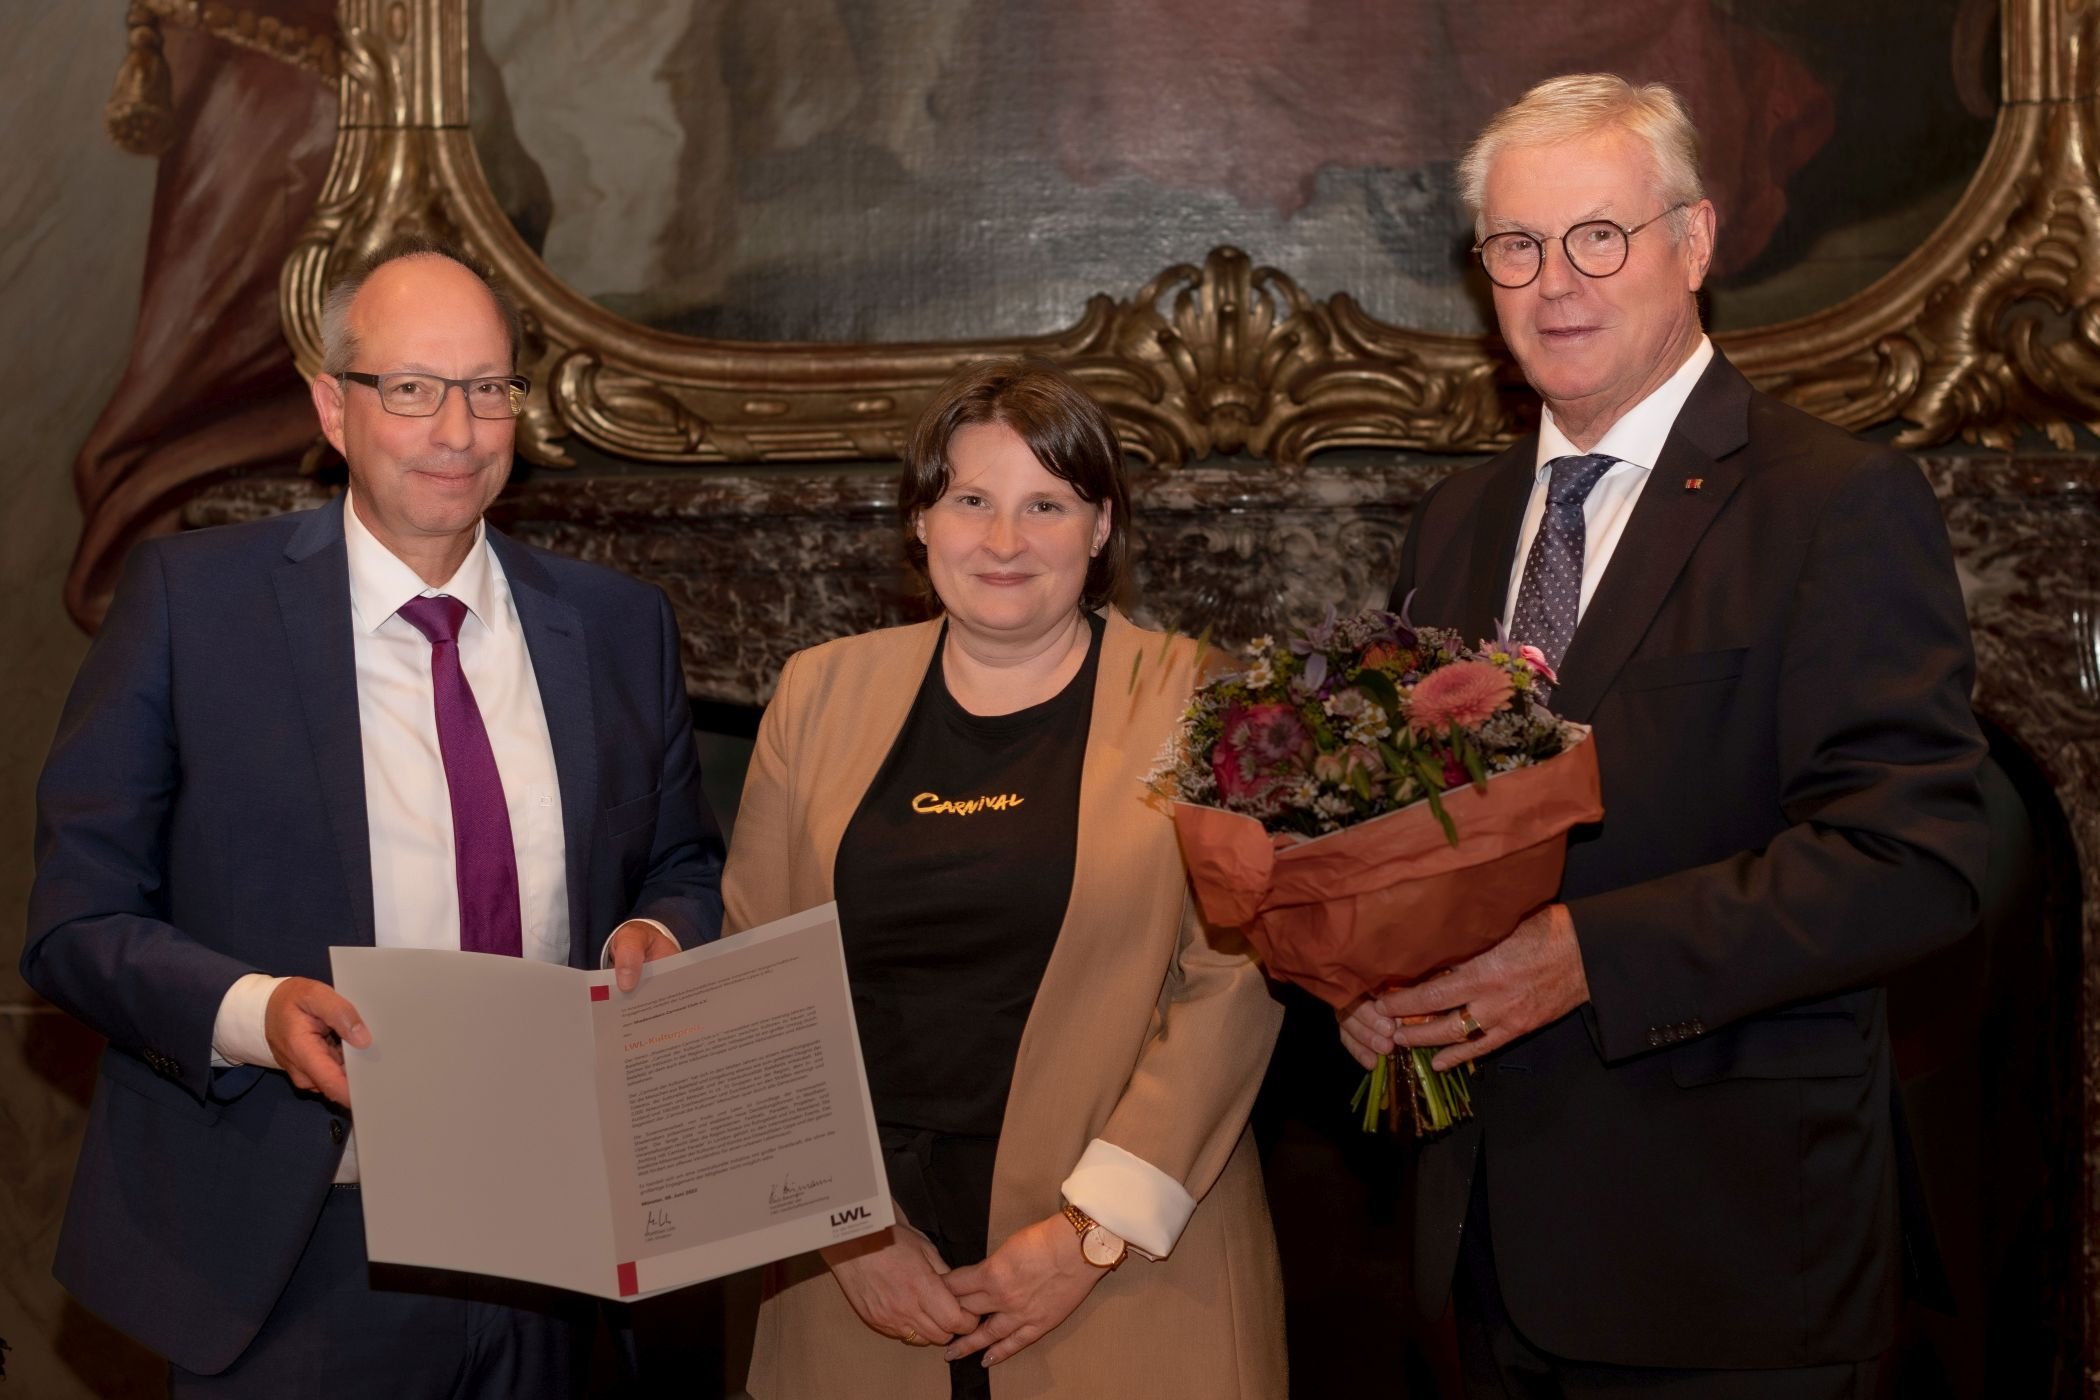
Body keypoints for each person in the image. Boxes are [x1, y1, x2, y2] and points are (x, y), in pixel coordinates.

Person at [1339, 75, 1989, 1395]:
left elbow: (1917, 858)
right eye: (1516, 246)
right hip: (1478, 1267)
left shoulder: (1833, 504)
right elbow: (1418, 834)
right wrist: (1367, 976)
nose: (1554, 282)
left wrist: (1592, 956)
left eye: (1599, 236)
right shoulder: (1457, 524)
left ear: (1693, 243)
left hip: (1729, 1274)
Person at [23, 237, 724, 1398]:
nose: (457, 430)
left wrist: (654, 934)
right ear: (332, 408)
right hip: (297, 1249)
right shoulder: (191, 607)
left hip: (561, 1242)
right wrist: (256, 1013)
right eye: (411, 388)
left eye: (489, 388)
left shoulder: (615, 626)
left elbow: (680, 862)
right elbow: (74, 918)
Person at [723, 359, 1286, 1399]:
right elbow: (752, 977)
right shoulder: (816, 693)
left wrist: (1091, 1231)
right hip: (859, 1276)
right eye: (971, 500)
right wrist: (847, 1230)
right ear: (922, 521)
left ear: (1101, 527)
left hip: (1130, 1272)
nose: (1005, 540)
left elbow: (1235, 977)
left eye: (1047, 505)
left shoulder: (1198, 694)